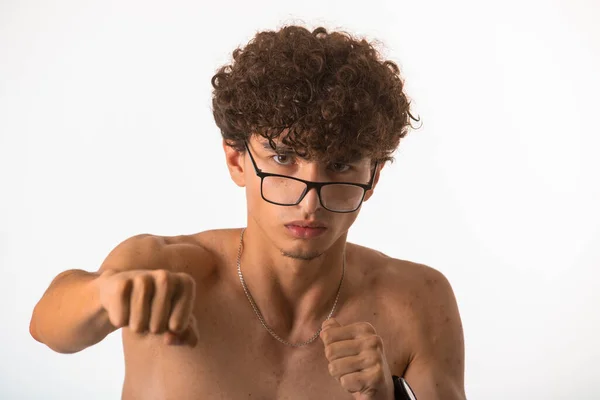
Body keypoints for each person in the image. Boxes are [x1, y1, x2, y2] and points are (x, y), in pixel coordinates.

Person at [29, 25, 466, 400]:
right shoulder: (168, 269)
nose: (307, 201)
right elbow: (47, 326)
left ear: (371, 179)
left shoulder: (415, 303)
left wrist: (386, 398)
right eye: (282, 158)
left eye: (340, 165)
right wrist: (104, 296)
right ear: (237, 161)